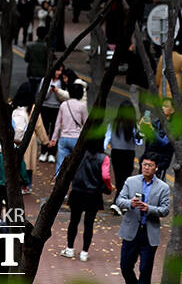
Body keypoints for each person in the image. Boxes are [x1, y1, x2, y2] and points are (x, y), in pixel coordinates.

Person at [117, 155, 170, 284]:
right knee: (125, 266)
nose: (146, 168)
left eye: (150, 165)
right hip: (131, 231)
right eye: (144, 164)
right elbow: (119, 200)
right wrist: (131, 203)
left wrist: (149, 209)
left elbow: (165, 210)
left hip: (149, 232)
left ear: (156, 168)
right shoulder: (131, 181)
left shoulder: (163, 187)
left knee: (145, 269)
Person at [60, 138, 112, 262]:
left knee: (73, 221)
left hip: (78, 192)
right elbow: (105, 175)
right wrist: (109, 187)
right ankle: (84, 252)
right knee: (89, 224)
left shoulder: (80, 155)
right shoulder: (104, 158)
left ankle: (70, 248)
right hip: (94, 194)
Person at [105, 102, 139, 215]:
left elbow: (107, 138)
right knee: (125, 180)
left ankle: (121, 204)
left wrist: (102, 151)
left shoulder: (113, 123)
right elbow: (139, 142)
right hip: (128, 154)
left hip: (116, 154)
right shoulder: (134, 125)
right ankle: (118, 203)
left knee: (120, 179)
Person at [50, 82, 88, 175]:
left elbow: (57, 124)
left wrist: (53, 139)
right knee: (77, 165)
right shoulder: (82, 106)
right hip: (76, 138)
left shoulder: (64, 104)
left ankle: (58, 184)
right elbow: (86, 123)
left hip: (63, 138)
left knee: (60, 164)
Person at [25, 27, 48, 97]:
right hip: (43, 73)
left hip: (32, 72)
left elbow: (26, 59)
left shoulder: (30, 46)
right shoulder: (47, 47)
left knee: (31, 92)